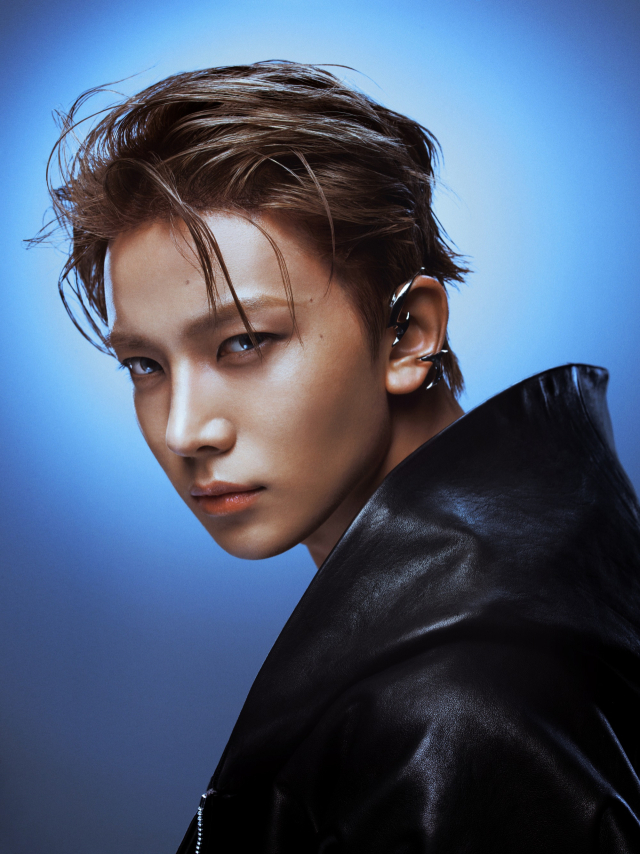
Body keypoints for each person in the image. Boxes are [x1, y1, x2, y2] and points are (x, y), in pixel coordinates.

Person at [39, 61, 640, 853]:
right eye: (145, 365)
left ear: (409, 335)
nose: (184, 430)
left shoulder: (451, 718)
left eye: (244, 343)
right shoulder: (553, 545)